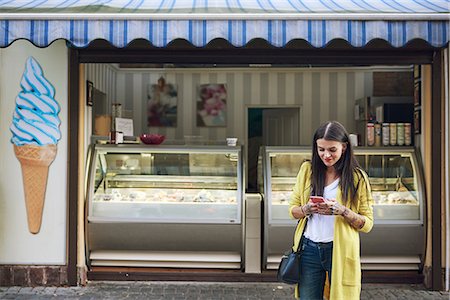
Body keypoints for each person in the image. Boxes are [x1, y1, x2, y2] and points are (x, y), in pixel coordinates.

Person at [288, 121, 374, 300]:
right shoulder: (307, 171)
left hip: (340, 250)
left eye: (332, 150)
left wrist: (343, 211)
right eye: (321, 149)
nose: (326, 155)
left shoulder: (357, 178)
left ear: (344, 147)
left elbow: (367, 224)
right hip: (308, 249)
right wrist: (307, 208)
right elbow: (293, 211)